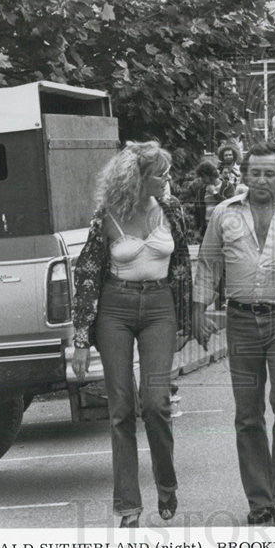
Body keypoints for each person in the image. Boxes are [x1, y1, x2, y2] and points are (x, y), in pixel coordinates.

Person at [191, 142, 275, 527]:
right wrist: (198, 311)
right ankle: (259, 498)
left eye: (269, 173)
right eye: (255, 173)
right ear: (245, 175)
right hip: (241, 320)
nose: (262, 180)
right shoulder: (224, 213)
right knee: (248, 413)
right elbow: (208, 263)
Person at [71, 141, 193, 528]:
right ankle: (128, 505)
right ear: (137, 177)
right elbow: (87, 273)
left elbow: (182, 266)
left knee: (156, 403)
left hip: (159, 308)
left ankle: (167, 485)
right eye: (160, 173)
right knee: (121, 407)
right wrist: (79, 338)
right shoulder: (106, 215)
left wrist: (189, 320)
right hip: (115, 310)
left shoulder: (171, 210)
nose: (167, 179)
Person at [192, 161, 222, 237]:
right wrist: (197, 229)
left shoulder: (227, 186)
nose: (202, 179)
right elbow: (197, 208)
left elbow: (229, 205)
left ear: (210, 175)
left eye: (203, 176)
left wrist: (214, 193)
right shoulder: (202, 188)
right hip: (206, 227)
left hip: (221, 227)